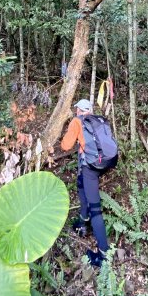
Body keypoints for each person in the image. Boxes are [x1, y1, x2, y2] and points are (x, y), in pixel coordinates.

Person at [61, 98, 109, 267]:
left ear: (79, 110)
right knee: (81, 186)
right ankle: (83, 224)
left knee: (95, 208)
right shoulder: (98, 121)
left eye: (77, 110)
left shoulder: (77, 121)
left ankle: (104, 254)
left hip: (90, 168)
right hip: (99, 165)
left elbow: (66, 146)